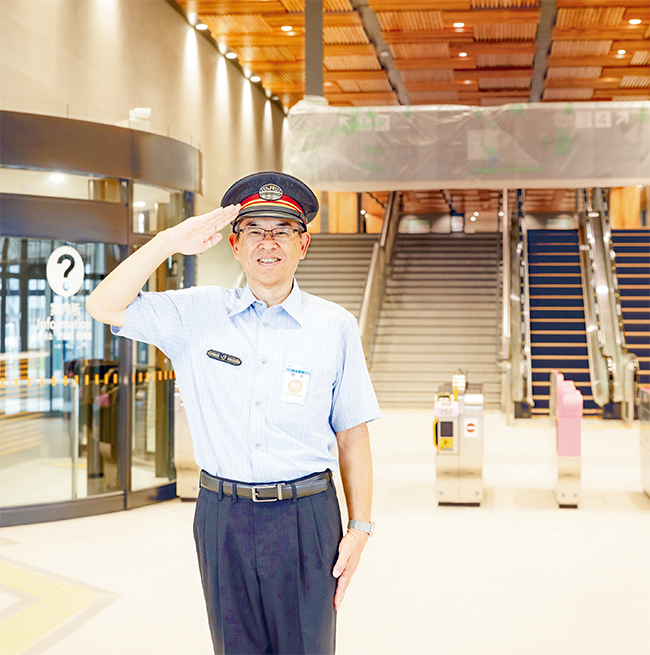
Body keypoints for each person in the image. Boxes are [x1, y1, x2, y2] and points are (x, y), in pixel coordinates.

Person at [86, 171, 381, 654]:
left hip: (306, 516)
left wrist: (361, 528)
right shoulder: (194, 315)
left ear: (303, 244)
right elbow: (103, 304)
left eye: (282, 230)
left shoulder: (335, 326)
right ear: (235, 245)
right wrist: (168, 241)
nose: (269, 243)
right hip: (222, 515)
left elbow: (353, 435)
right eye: (255, 231)